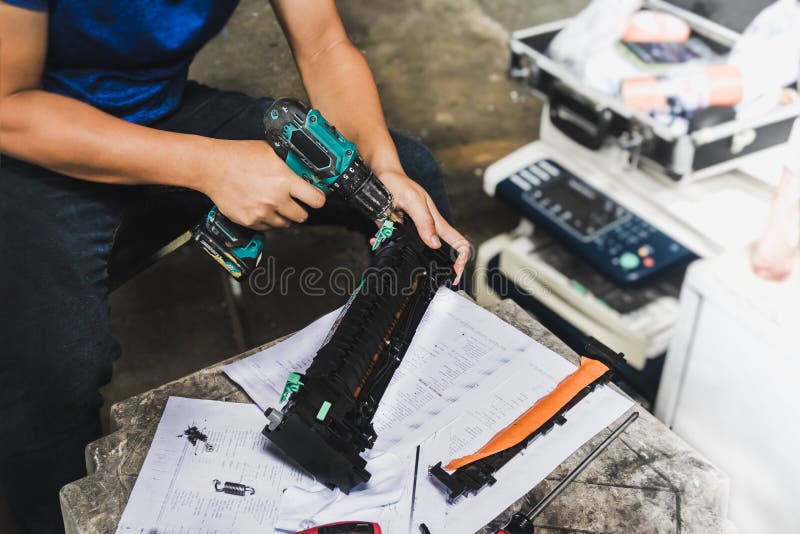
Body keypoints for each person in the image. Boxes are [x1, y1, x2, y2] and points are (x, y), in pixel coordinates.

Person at [0, 1, 469, 531]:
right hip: (37, 142)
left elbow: (323, 46)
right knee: (52, 370)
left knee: (414, 186)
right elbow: (8, 105)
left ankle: (430, 410)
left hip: (163, 111)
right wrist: (209, 165)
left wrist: (382, 172)